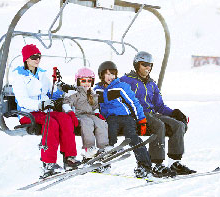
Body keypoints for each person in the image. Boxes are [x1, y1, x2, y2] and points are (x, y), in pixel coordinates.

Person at [120, 51, 196, 175]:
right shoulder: (127, 80)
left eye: (150, 65)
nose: (147, 68)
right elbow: (114, 93)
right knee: (159, 125)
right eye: (144, 64)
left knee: (178, 125)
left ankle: (174, 163)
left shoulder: (151, 84)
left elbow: (159, 106)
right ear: (137, 65)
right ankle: (157, 164)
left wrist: (174, 113)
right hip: (136, 114)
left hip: (151, 113)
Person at [11, 44, 81, 178]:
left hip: (44, 111)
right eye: (33, 57)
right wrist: (40, 104)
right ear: (26, 59)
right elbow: (22, 100)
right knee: (52, 123)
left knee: (65, 118)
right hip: (28, 113)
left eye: (39, 57)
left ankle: (69, 158)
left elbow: (50, 94)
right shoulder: (19, 77)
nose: (37, 59)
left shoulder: (42, 75)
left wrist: (61, 91)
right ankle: (48, 163)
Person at [94, 61, 158, 178]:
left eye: (112, 74)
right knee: (109, 133)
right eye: (107, 74)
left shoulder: (121, 86)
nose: (110, 77)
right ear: (101, 75)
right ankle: (106, 157)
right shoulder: (97, 90)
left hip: (126, 117)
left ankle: (144, 165)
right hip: (110, 118)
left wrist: (141, 119)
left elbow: (134, 103)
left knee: (132, 137)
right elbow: (92, 104)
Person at [62, 67, 109, 162]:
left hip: (90, 115)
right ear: (78, 81)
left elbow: (95, 106)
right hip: (79, 115)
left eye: (89, 80)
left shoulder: (92, 93)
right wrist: (70, 112)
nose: (86, 83)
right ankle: (89, 148)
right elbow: (66, 104)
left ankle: (103, 147)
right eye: (83, 80)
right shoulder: (74, 93)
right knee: (88, 123)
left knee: (101, 123)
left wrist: (97, 114)